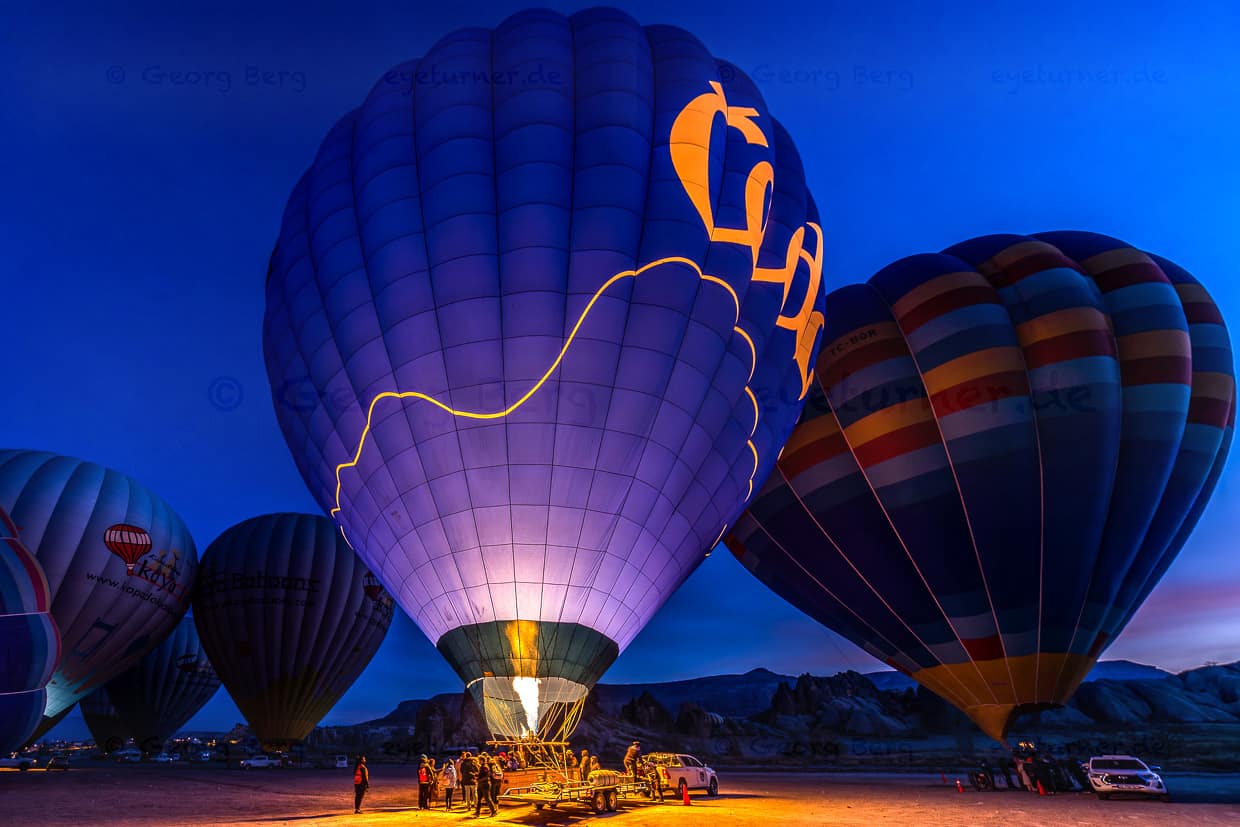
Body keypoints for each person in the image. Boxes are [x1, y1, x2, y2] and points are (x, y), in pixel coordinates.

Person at [475, 753, 497, 817]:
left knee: (487, 798)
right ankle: (477, 812)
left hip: (485, 785)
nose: (479, 761)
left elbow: (487, 776)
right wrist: (476, 775)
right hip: (480, 785)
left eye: (479, 760)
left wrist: (479, 779)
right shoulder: (481, 767)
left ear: (482, 760)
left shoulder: (485, 767)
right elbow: (482, 775)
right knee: (479, 799)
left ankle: (493, 811)